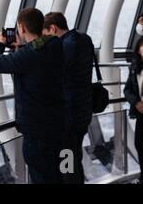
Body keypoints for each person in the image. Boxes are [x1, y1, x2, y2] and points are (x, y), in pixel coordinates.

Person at [0, 8, 65, 184]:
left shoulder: (29, 55)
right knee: (55, 175)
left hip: (37, 130)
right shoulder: (54, 45)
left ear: (21, 28)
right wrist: (21, 48)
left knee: (41, 177)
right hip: (56, 124)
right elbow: (38, 48)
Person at [43, 12, 94, 184]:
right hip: (83, 112)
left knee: (67, 162)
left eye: (46, 36)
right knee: (74, 157)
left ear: (53, 28)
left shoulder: (65, 46)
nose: (46, 41)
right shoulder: (85, 39)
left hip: (69, 117)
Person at [124, 37, 143, 184]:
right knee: (139, 144)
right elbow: (127, 89)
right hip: (141, 112)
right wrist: (136, 102)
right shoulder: (135, 66)